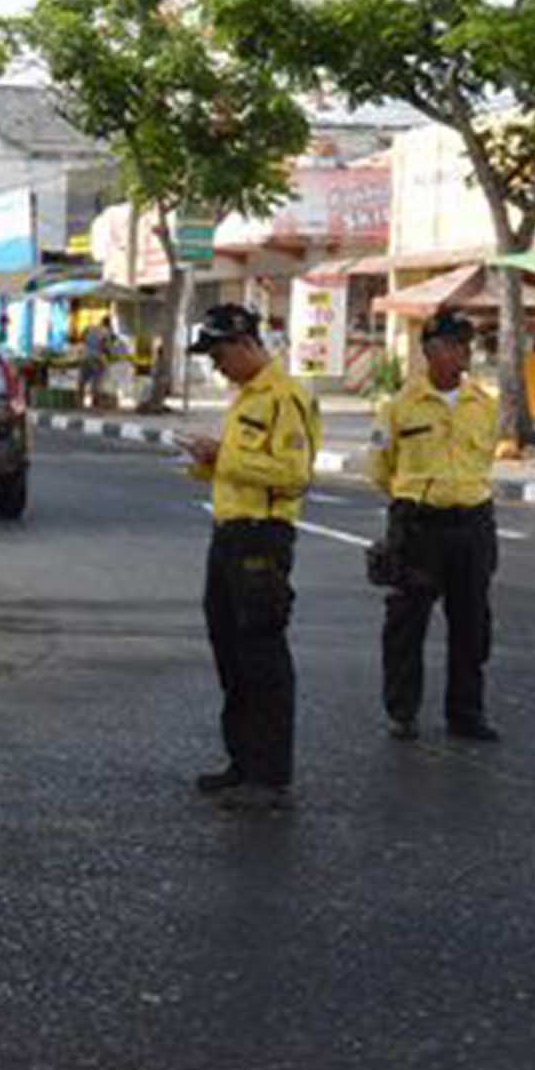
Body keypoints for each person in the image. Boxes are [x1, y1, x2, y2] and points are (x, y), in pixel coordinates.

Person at [175, 303, 321, 812]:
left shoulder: (285, 398)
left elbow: (294, 474)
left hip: (263, 537)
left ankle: (270, 775)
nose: (217, 368)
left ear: (244, 344)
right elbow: (240, 468)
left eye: (219, 357)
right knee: (230, 653)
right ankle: (241, 761)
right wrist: (206, 462)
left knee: (262, 654)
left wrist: (226, 457)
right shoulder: (245, 398)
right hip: (229, 534)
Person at [369, 310, 500, 745]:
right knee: (406, 623)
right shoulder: (399, 406)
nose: (464, 353)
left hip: (473, 522)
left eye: (466, 344)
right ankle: (402, 711)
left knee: (471, 624)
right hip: (419, 525)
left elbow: (485, 458)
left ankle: (466, 714)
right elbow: (379, 467)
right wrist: (412, 498)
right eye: (455, 345)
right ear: (430, 351)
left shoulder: (483, 404)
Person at [76, 321, 110, 410]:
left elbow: (82, 338)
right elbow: (104, 346)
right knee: (96, 382)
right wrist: (106, 352)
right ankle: (95, 403)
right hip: (97, 359)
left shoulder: (89, 328)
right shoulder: (105, 332)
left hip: (85, 357)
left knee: (82, 381)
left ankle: (79, 402)